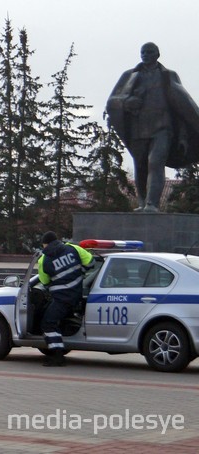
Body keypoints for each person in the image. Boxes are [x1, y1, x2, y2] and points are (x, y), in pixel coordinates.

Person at [106, 42, 199, 212]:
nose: (145, 55)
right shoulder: (129, 76)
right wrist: (127, 102)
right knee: (140, 166)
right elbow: (112, 102)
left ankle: (152, 204)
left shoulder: (168, 76)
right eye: (143, 52)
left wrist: (184, 136)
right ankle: (142, 203)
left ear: (157, 54)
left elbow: (181, 108)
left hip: (163, 129)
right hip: (138, 130)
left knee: (155, 162)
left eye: (149, 52)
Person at [37, 231, 94, 367]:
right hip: (78, 295)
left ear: (45, 244)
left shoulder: (43, 259)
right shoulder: (74, 248)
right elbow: (90, 262)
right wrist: (80, 272)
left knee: (48, 324)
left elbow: (44, 282)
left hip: (61, 299)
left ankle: (57, 356)